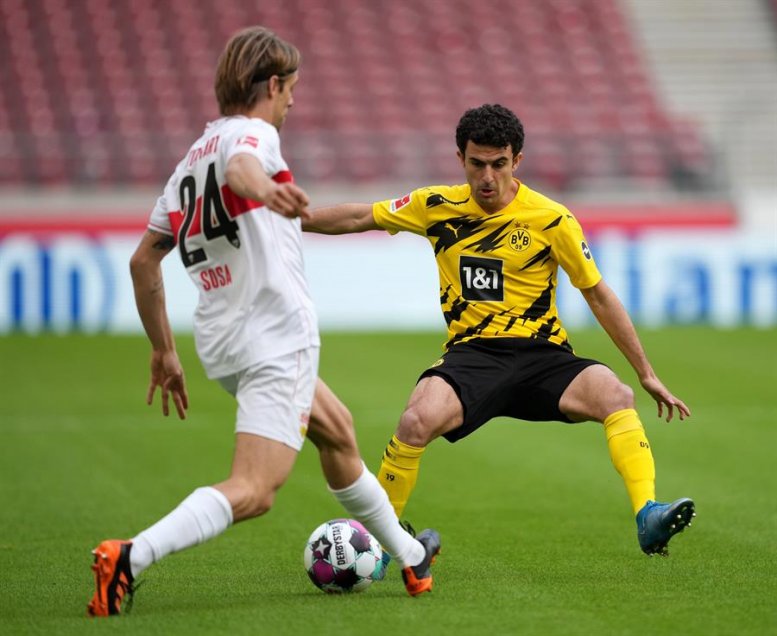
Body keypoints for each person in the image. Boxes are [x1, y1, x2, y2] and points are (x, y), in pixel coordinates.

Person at [87, 27, 441, 617]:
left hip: (222, 340)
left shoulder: (189, 162)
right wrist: (267, 193)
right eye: (291, 89)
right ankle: (130, 556)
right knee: (254, 490)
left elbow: (143, 260)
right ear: (272, 85)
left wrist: (164, 351)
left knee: (337, 430)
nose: (293, 102)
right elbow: (243, 170)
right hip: (275, 334)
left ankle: (410, 557)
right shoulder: (253, 135)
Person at [302, 103, 696, 558]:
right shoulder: (436, 206)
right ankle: (381, 542)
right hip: (474, 356)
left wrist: (645, 372)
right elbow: (360, 217)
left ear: (517, 160)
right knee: (415, 421)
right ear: (460, 158)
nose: (487, 177)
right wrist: (295, 218)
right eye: (477, 164)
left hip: (543, 355)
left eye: (499, 164)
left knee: (616, 395)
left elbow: (598, 295)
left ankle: (647, 514)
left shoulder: (552, 219)